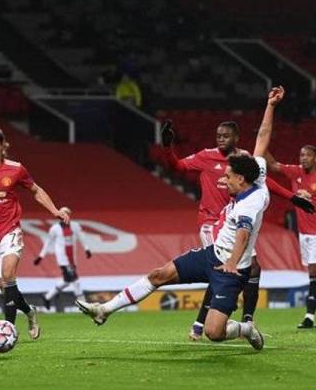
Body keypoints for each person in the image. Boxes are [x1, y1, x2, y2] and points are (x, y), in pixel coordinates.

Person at [76, 86, 285, 351]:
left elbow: (243, 234)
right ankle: (104, 309)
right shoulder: (258, 171)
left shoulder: (251, 203)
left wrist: (232, 262)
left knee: (215, 333)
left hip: (230, 271)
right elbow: (264, 135)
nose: (223, 179)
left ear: (241, 180)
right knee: (159, 274)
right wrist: (271, 105)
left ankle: (244, 327)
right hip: (212, 254)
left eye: (228, 177)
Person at [160, 111, 314, 340]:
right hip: (211, 222)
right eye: (218, 135)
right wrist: (167, 148)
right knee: (221, 268)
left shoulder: (242, 160)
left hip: (233, 221)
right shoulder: (206, 156)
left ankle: (246, 320)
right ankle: (201, 325)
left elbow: (264, 182)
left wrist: (292, 198)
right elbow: (178, 167)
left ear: (236, 138)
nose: (220, 138)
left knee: (253, 269)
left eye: (225, 135)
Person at [0, 126, 69, 340]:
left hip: (10, 230)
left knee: (8, 276)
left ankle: (7, 331)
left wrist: (54, 210)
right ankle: (29, 311)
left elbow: (36, 190)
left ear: (3, 147)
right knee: (6, 288)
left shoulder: (16, 169)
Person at [265, 145, 316, 328]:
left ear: (315, 158)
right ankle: (310, 315)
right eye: (301, 154)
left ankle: (309, 315)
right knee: (312, 274)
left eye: (308, 155)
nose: (303, 158)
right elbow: (272, 165)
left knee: (313, 272)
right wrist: (262, 143)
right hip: (304, 233)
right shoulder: (295, 172)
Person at [32, 207, 92, 310]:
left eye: (66, 213)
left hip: (72, 258)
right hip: (62, 258)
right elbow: (48, 242)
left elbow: (81, 237)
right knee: (75, 280)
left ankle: (47, 297)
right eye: (62, 214)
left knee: (67, 281)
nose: (64, 215)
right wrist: (41, 256)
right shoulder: (55, 228)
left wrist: (87, 249)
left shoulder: (75, 226)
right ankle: (84, 305)